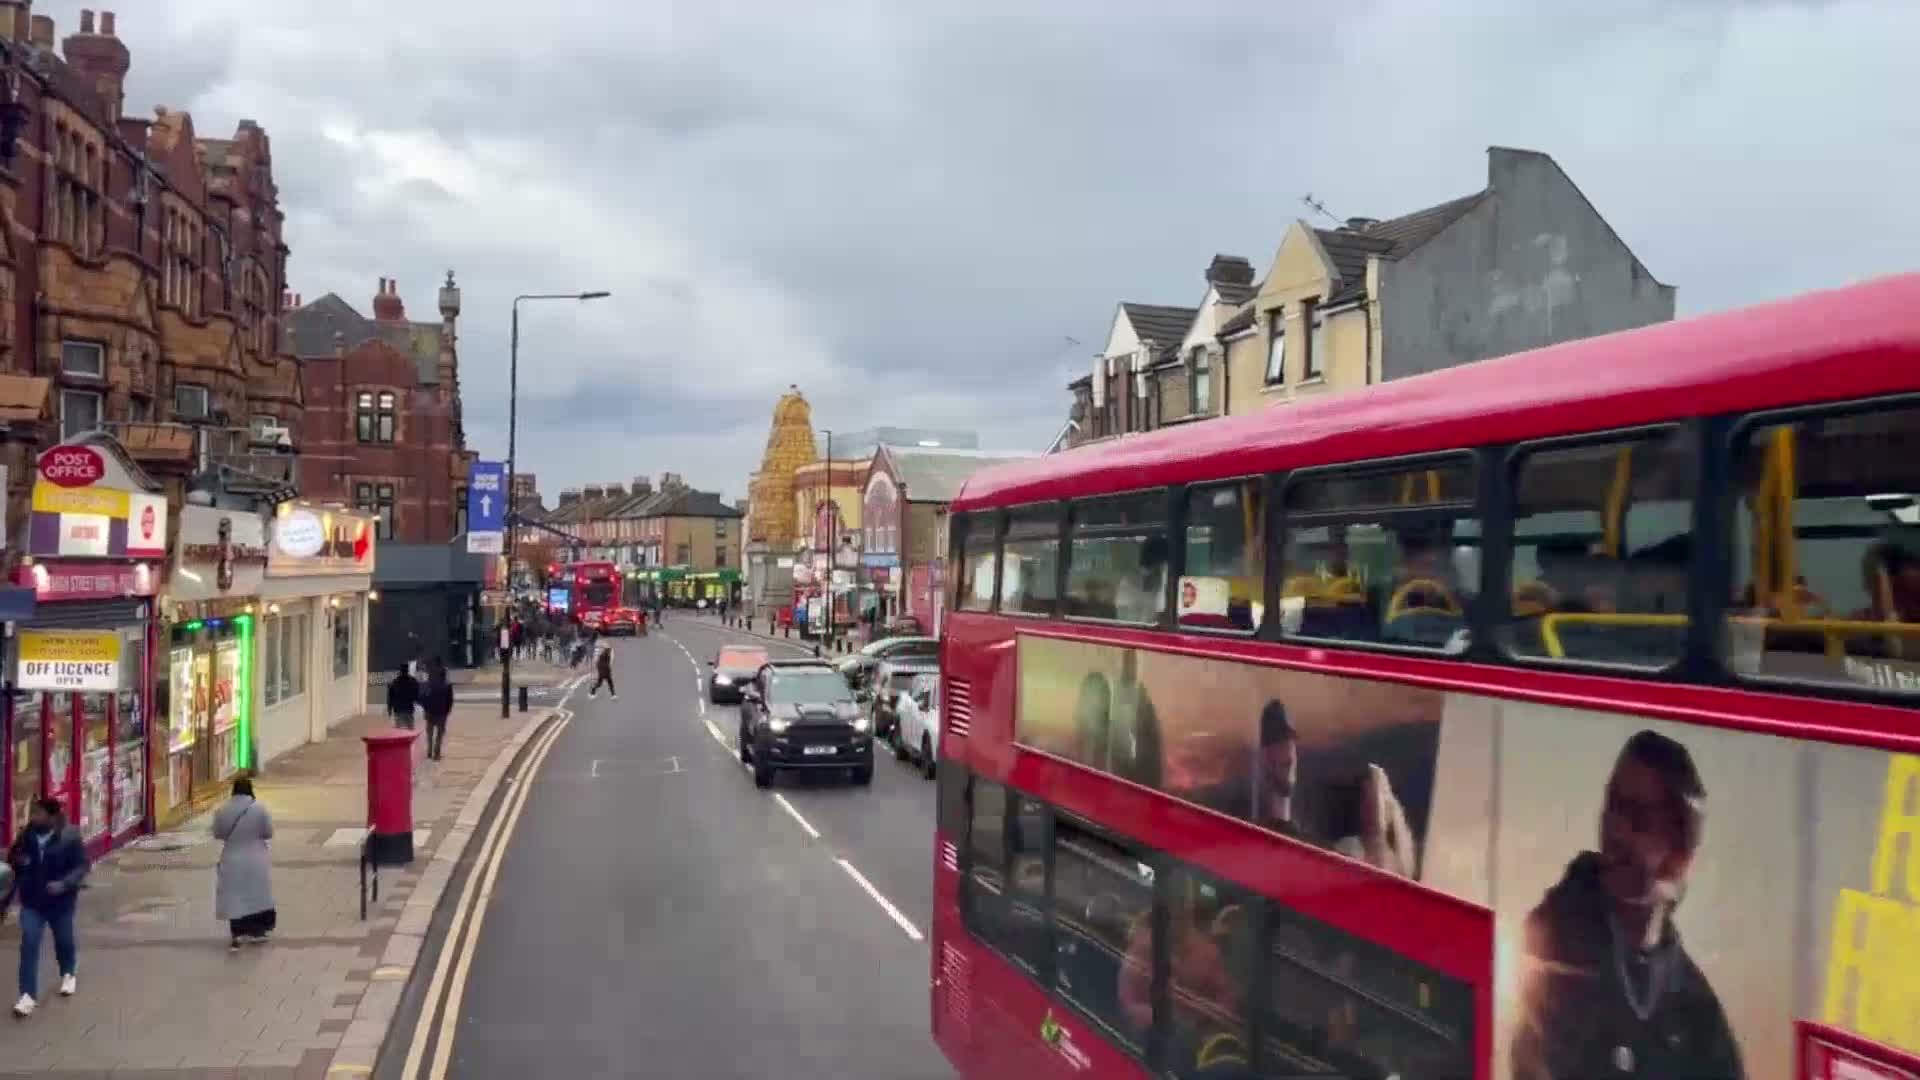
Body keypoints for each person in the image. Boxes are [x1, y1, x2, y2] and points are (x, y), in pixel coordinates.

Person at [1510, 729, 1742, 1080]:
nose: (1616, 831)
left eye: (1638, 818)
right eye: (1613, 806)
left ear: (1680, 850)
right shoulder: (1554, 943)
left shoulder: (1700, 1016)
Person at [6, 798, 88, 1017]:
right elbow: (13, 856)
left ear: (52, 817)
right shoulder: (27, 834)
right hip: (32, 900)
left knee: (63, 940)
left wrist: (64, 884)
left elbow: (82, 866)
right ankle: (27, 995)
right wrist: (19, 860)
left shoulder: (70, 836)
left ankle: (68, 972)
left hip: (60, 902)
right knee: (29, 944)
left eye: (39, 813)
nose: (34, 817)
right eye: (33, 813)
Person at [212, 778, 276, 950]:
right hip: (255, 858)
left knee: (235, 896)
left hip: (232, 857)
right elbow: (268, 832)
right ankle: (256, 931)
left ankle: (237, 932)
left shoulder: (222, 810)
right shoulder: (259, 808)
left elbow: (218, 833)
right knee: (255, 893)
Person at [420, 659, 455, 761]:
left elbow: (423, 697)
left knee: (430, 734)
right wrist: (448, 710)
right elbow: (450, 700)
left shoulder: (429, 684)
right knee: (439, 734)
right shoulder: (447, 685)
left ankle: (429, 752)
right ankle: (436, 753)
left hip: (430, 712)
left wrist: (425, 709)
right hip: (441, 712)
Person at [386, 664, 419, 729]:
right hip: (408, 709)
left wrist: (389, 709)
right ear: (407, 671)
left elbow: (390, 697)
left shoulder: (395, 682)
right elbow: (417, 694)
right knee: (409, 728)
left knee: (398, 729)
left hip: (398, 709)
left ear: (400, 671)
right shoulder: (413, 681)